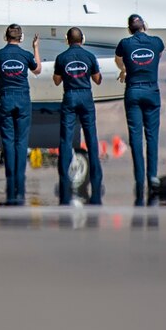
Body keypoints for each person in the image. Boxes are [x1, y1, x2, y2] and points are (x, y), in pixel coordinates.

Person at [0, 26, 40, 205]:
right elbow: (37, 69)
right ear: (21, 38)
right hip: (23, 99)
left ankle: (10, 175)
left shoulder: (0, 54)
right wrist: (36, 48)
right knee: (21, 140)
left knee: (8, 140)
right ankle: (19, 175)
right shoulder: (26, 55)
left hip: (6, 99)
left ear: (5, 37)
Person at [115, 14, 165, 206]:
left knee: (136, 137)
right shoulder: (157, 42)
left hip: (133, 91)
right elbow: (157, 56)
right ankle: (152, 176)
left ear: (129, 29)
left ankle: (139, 179)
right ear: (145, 25)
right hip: (152, 91)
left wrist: (125, 70)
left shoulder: (125, 43)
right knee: (152, 136)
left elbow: (119, 60)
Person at [53, 28, 103, 205]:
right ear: (83, 39)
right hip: (86, 97)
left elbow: (57, 80)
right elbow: (97, 79)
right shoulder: (90, 56)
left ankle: (64, 178)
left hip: (70, 96)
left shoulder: (61, 58)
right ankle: (97, 178)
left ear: (67, 40)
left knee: (66, 140)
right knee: (91, 139)